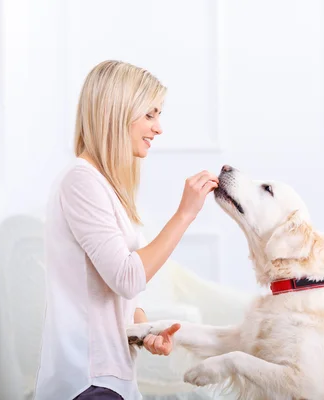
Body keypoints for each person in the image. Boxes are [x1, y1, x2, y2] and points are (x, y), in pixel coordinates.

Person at [32, 60, 219, 400]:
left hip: (111, 377)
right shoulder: (81, 182)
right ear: (117, 113)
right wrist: (185, 214)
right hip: (88, 380)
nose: (159, 128)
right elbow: (128, 277)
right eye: (150, 115)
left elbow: (116, 291)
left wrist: (142, 329)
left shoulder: (105, 187)